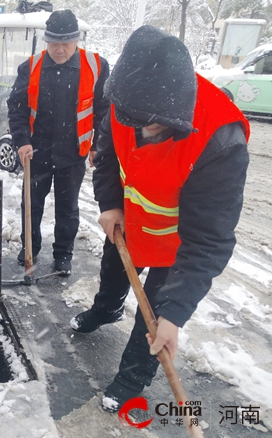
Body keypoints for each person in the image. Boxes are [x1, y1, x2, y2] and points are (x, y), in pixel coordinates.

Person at [70, 25, 250, 412]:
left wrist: (176, 313)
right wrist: (110, 205)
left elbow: (209, 241)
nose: (142, 132)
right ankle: (106, 309)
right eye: (137, 123)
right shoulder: (126, 102)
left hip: (177, 244)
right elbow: (106, 158)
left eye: (153, 127)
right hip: (130, 222)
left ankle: (132, 377)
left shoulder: (220, 140)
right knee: (113, 273)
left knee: (154, 317)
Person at [7, 9, 110, 276]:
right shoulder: (30, 67)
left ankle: (63, 254)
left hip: (73, 153)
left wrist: (98, 145)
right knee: (31, 204)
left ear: (76, 41)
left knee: (68, 208)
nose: (60, 49)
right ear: (46, 41)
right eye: (54, 43)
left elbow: (104, 111)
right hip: (37, 152)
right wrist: (22, 141)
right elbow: (16, 107)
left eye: (66, 43)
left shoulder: (96, 66)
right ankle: (30, 248)